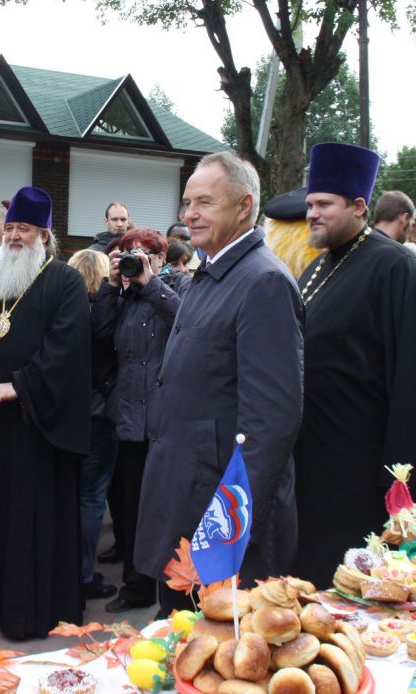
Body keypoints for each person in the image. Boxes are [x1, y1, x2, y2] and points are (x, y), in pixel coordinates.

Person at [134, 152, 304, 617]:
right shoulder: (213, 272)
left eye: (205, 202)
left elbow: (271, 422)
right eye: (187, 202)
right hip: (185, 497)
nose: (189, 214)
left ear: (244, 206)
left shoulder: (262, 281)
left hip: (218, 518)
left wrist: (225, 527)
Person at [294, 143, 416, 586]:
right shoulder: (317, 268)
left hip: (363, 470)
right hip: (312, 463)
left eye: (324, 205)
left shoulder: (398, 271)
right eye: (310, 204)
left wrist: (402, 489)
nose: (312, 213)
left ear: (358, 207)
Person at [0, 186, 91, 638]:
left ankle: (29, 611)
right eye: (8, 228)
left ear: (43, 235)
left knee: (28, 519)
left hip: (35, 427)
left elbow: (66, 350)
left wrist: (21, 386)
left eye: (22, 229)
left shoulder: (64, 281)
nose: (11, 236)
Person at [93, 229, 190, 612]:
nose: (134, 260)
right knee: (132, 508)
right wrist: (111, 283)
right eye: (126, 254)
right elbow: (100, 333)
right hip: (130, 417)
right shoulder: (124, 295)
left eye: (142, 254)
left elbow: (185, 320)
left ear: (161, 260)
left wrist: (150, 284)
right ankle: (137, 588)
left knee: (167, 509)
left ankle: (175, 590)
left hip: (167, 418)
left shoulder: (180, 285)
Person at [66, 249, 118, 603]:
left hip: (66, 415)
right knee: (91, 498)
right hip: (99, 414)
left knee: (68, 495)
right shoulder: (108, 312)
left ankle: (64, 569)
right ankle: (84, 574)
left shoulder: (61, 312)